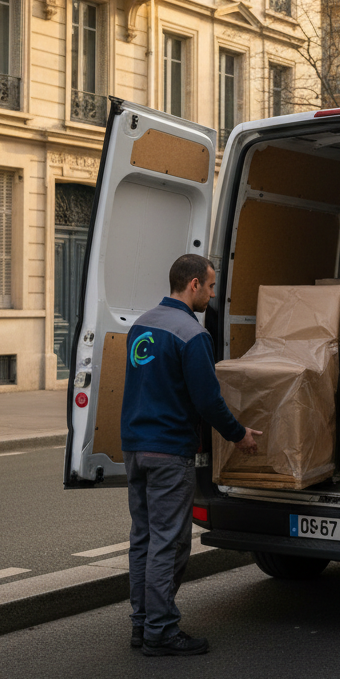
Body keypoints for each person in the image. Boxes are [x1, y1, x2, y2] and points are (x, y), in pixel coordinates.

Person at [121, 253, 261, 657]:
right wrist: (239, 436)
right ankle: (161, 631)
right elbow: (207, 401)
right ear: (194, 284)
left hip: (135, 447)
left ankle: (142, 624)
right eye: (212, 285)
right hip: (168, 451)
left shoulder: (142, 325)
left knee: (143, 539)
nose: (214, 294)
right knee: (170, 543)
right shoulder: (192, 334)